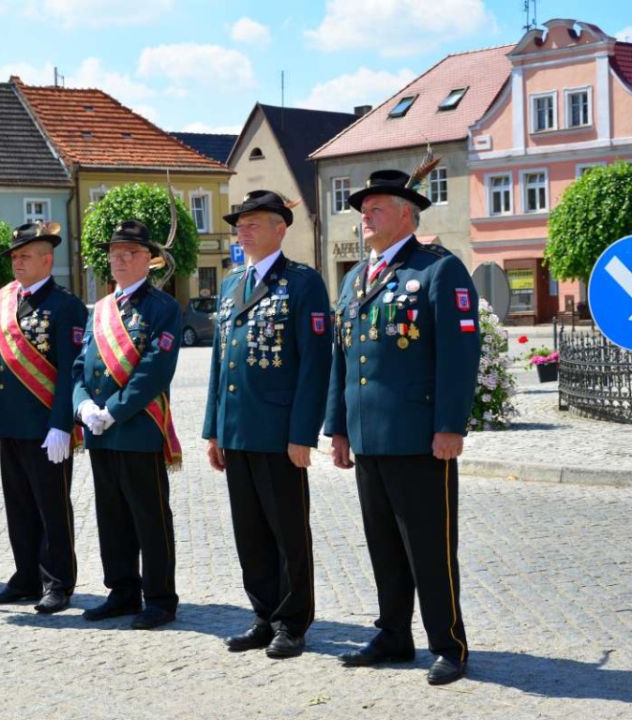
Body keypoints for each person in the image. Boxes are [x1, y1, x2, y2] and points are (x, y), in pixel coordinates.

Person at [324, 169, 480, 685]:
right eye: (362, 209)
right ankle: (393, 635)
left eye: (376, 208)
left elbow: (459, 355)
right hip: (368, 437)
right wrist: (338, 428)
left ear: (408, 215)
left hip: (419, 438)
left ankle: (448, 644)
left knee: (429, 547)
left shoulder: (437, 270)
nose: (364, 217)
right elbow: (342, 358)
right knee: (384, 546)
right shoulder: (354, 278)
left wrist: (450, 425)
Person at [202, 190, 333, 659]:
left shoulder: (302, 283)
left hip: (278, 434)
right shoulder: (231, 283)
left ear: (281, 227)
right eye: (240, 224)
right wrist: (214, 429)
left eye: (253, 223)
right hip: (237, 430)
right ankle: (263, 615)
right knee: (250, 532)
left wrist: (302, 434)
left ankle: (292, 623)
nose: (242, 231)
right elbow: (220, 360)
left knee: (287, 532)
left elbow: (315, 364)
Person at [0, 222, 86, 614]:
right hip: (9, 423)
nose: (17, 262)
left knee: (52, 508)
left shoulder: (65, 306)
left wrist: (62, 424)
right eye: (14, 256)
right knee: (19, 507)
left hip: (46, 427)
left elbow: (71, 372)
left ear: (47, 259)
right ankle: (26, 578)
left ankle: (58, 583)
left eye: (25, 256)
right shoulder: (2, 301)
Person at [72, 220, 182, 630]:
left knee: (149, 517)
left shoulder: (162, 308)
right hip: (100, 431)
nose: (118, 260)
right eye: (114, 253)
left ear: (148, 259)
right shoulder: (100, 309)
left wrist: (114, 410)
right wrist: (83, 406)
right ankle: (121, 591)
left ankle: (160, 598)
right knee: (112, 516)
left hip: (137, 427)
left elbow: (154, 370)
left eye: (128, 253)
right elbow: (80, 366)